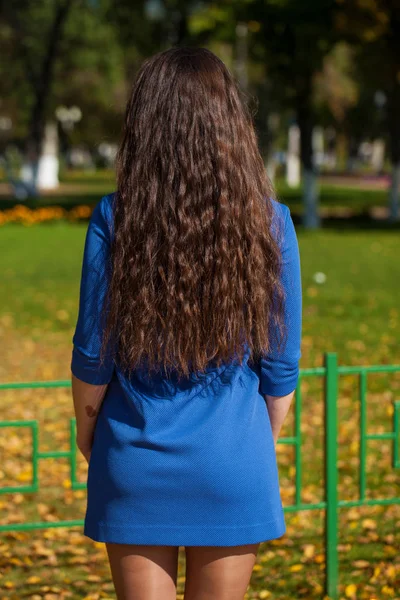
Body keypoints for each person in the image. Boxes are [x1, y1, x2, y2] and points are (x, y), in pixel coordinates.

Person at [71, 46, 302, 600]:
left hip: (135, 458)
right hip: (233, 461)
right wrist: (248, 444)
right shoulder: (272, 222)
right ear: (232, 126)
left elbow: (93, 355)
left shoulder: (114, 217)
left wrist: (89, 436)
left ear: (144, 126)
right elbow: (280, 364)